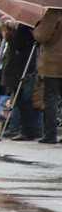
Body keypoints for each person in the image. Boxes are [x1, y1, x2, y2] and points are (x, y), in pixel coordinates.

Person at [34, 8, 62, 145]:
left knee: (50, 98)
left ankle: (50, 134)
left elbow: (42, 36)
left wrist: (37, 29)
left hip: (53, 63)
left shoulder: (53, 13)